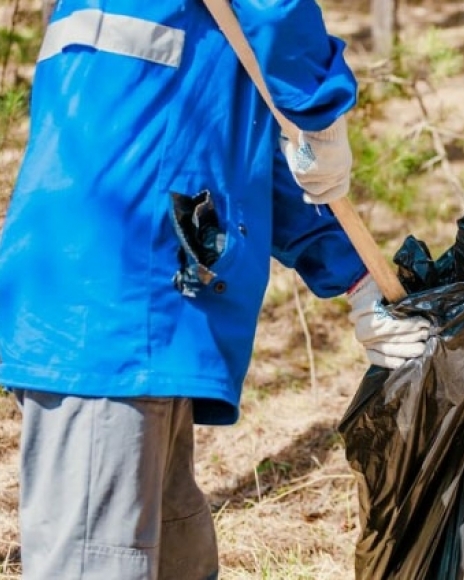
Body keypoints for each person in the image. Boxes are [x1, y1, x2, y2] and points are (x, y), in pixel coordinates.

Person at [0, 1, 430, 578]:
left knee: (174, 549)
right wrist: (319, 113)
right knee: (98, 559)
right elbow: (276, 14)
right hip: (111, 313)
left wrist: (356, 279)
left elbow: (237, 155)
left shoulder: (195, 25)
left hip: (145, 309)